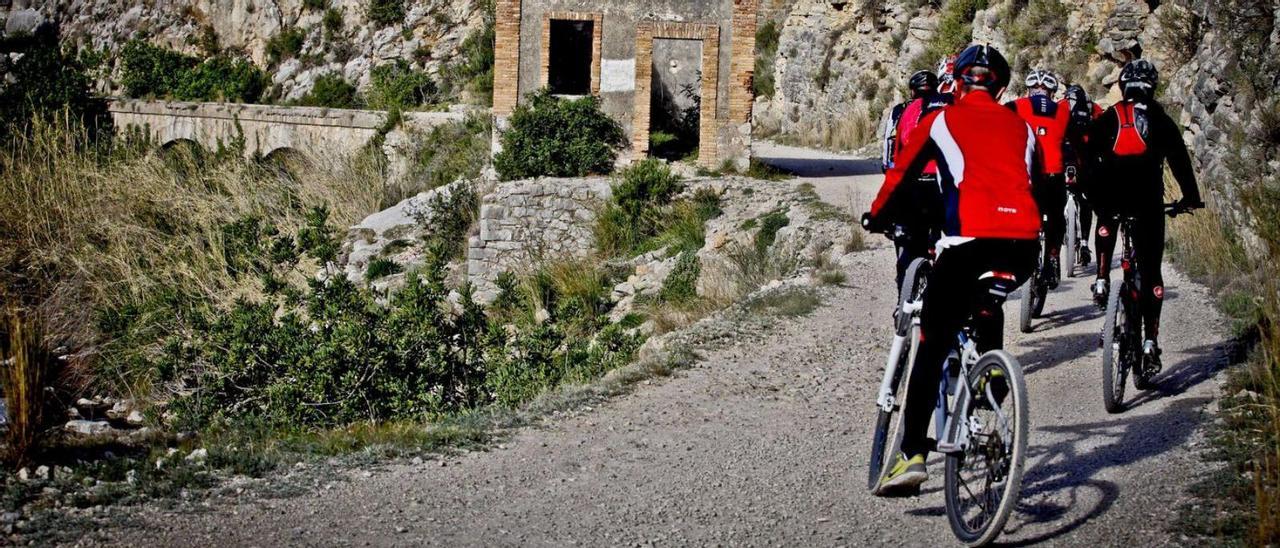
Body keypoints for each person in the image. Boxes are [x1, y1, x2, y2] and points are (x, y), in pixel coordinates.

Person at [862, 44, 1042, 496]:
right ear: (1001, 87)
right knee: (986, 303)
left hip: (967, 242)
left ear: (957, 82)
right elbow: (1037, 182)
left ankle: (912, 455)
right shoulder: (1022, 127)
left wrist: (876, 216)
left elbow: (899, 175)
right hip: (1023, 246)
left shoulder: (939, 119)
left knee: (933, 341)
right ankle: (994, 387)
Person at [1085, 59, 1204, 371]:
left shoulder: (1110, 117)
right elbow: (1180, 162)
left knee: (1108, 226)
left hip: (1112, 202)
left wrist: (1094, 194)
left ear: (1123, 86)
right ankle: (1150, 340)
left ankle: (1101, 280)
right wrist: (1190, 198)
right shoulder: (1161, 120)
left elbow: (1087, 157)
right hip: (1148, 205)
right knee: (1151, 271)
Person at [883, 71, 953, 289]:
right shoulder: (951, 108)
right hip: (944, 185)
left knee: (904, 236)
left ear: (912, 91)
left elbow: (889, 147)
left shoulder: (902, 110)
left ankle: (902, 293)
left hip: (910, 183)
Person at [1007, 69, 1070, 289]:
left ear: (1028, 89)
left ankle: (1016, 259)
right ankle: (1052, 256)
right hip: (1054, 175)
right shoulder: (1063, 110)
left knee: (1019, 217)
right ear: (1052, 92)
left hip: (1026, 176)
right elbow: (1074, 142)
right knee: (1056, 218)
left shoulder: (1016, 106)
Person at [1061, 84, 1105, 269]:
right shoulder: (1094, 108)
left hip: (1064, 156)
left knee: (1058, 198)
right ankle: (1085, 243)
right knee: (1085, 201)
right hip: (1086, 159)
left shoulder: (1061, 106)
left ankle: (1058, 240)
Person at [881, 70, 941, 172]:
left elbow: (889, 138)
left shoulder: (900, 109)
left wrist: (886, 165)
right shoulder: (949, 106)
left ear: (913, 91)